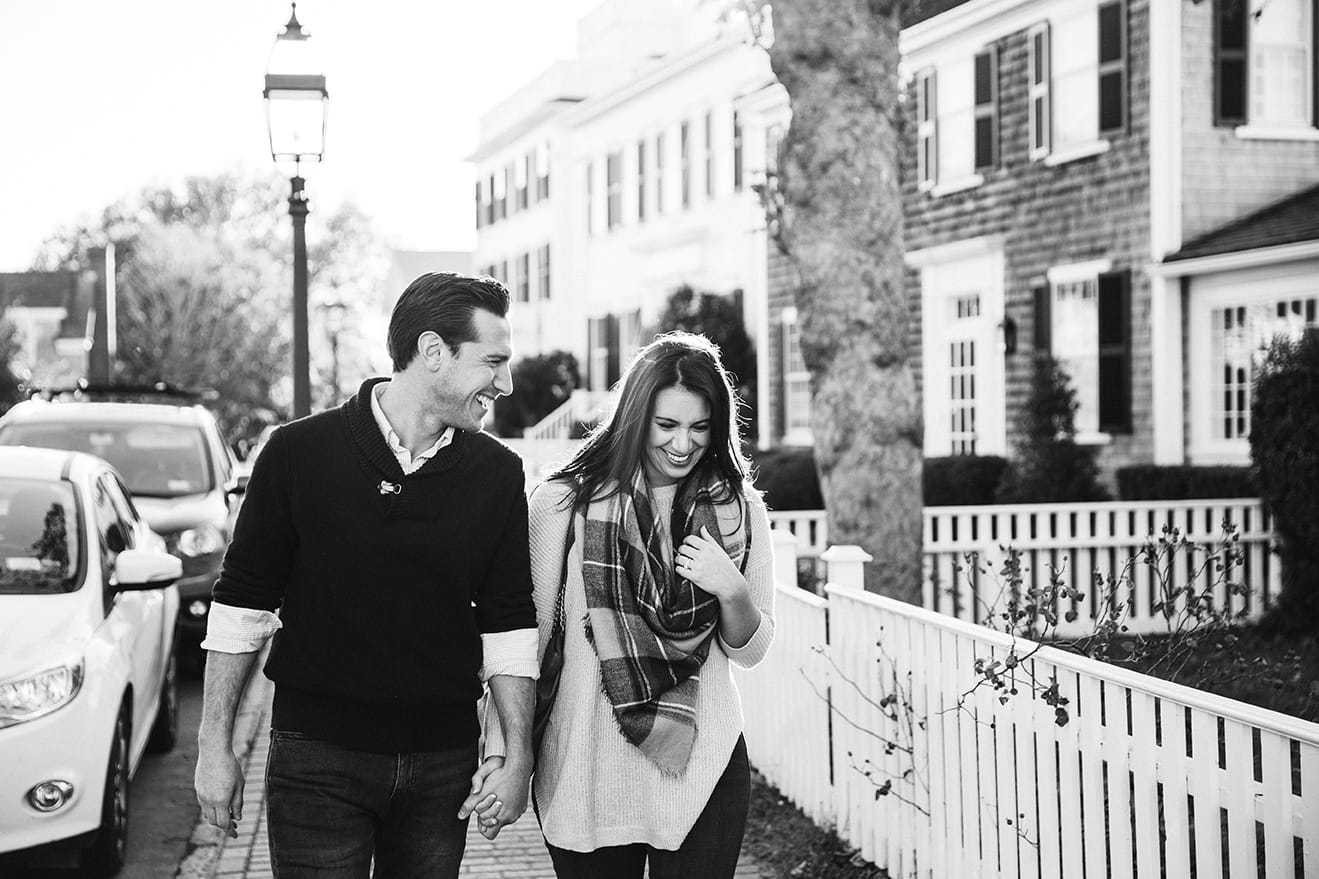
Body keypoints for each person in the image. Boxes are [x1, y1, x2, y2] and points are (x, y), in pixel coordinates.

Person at [194, 272, 538, 878]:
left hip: (443, 766)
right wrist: (214, 749)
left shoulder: (499, 474)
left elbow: (509, 624)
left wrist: (516, 756)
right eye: (493, 362)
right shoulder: (297, 454)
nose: (504, 384)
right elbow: (242, 610)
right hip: (316, 759)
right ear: (433, 352)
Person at [524, 332, 776, 879]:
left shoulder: (739, 510)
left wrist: (730, 588)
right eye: (667, 426)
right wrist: (509, 748)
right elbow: (530, 642)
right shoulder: (561, 505)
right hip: (587, 765)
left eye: (699, 427)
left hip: (704, 764)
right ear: (636, 417)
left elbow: (750, 651)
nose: (683, 444)